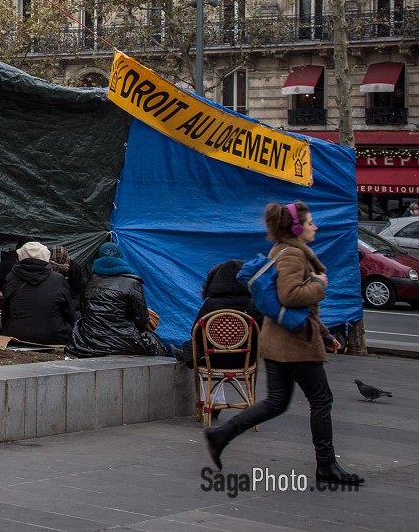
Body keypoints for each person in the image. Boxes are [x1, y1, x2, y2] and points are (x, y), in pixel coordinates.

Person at [203, 201, 365, 487]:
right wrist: (319, 283)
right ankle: (326, 465)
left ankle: (221, 435)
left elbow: (290, 308)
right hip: (295, 344)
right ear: (298, 228)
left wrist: (325, 334)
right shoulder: (293, 256)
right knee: (321, 400)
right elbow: (290, 297)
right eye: (312, 222)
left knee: (277, 402)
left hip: (278, 341)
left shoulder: (280, 251)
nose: (316, 227)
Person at [66, 242, 168, 357]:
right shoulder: (132, 283)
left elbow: (85, 313)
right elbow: (141, 321)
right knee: (157, 343)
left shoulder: (89, 282)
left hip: (90, 342)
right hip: (124, 342)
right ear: (119, 257)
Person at [191, 259, 261, 371]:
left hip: (212, 359)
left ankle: (207, 388)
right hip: (246, 361)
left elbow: (195, 333)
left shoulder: (211, 305)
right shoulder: (255, 305)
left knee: (190, 347)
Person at [1, 241, 76, 345]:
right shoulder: (58, 279)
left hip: (17, 336)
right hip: (54, 336)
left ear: (20, 256)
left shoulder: (11, 277)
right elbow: (69, 312)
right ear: (46, 256)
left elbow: (6, 309)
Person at [49, 245, 89, 312]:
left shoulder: (74, 268)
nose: (57, 270)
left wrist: (71, 306)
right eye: (55, 267)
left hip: (70, 305)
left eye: (60, 268)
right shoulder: (44, 269)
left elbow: (79, 293)